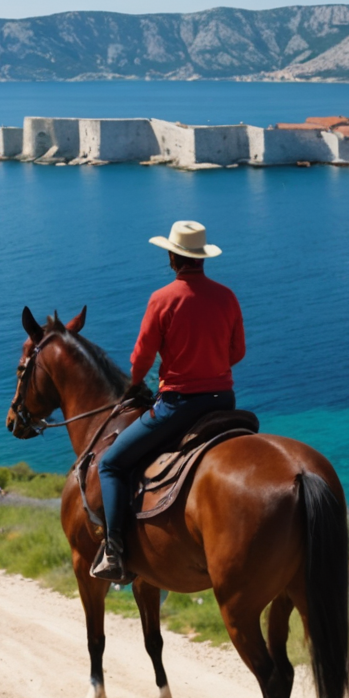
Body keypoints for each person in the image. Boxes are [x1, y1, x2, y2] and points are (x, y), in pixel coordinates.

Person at [91, 221, 245, 582]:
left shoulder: (162, 298)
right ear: (202, 259)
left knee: (111, 464)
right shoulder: (227, 296)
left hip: (179, 406)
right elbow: (237, 351)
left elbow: (141, 358)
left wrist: (137, 382)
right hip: (224, 402)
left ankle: (114, 552)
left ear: (173, 257)